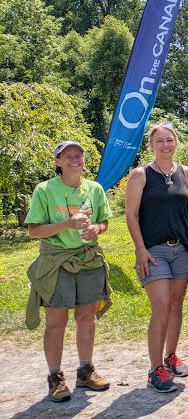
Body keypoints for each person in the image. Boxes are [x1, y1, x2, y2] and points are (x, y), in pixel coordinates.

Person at [24, 141, 113, 401]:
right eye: (68, 156)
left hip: (89, 260)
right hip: (56, 262)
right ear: (58, 162)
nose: (75, 159)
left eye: (79, 155)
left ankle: (85, 372)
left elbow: (105, 221)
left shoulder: (95, 189)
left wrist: (96, 229)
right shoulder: (45, 190)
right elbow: (34, 231)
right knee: (56, 322)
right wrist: (68, 224)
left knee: (86, 318)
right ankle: (55, 377)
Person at [125, 124, 188, 392]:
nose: (165, 145)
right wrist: (140, 249)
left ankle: (171, 356)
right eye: (159, 141)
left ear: (177, 142)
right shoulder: (140, 175)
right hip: (153, 250)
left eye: (170, 140)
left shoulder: (185, 173)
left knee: (175, 304)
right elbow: (131, 215)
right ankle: (155, 369)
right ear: (151, 145)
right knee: (160, 307)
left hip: (182, 248)